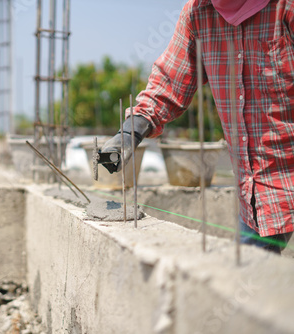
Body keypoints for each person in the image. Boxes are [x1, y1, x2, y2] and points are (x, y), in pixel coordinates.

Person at [101, 0, 294, 254]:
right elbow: (170, 81)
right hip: (257, 190)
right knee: (247, 277)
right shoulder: (198, 12)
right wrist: (131, 130)